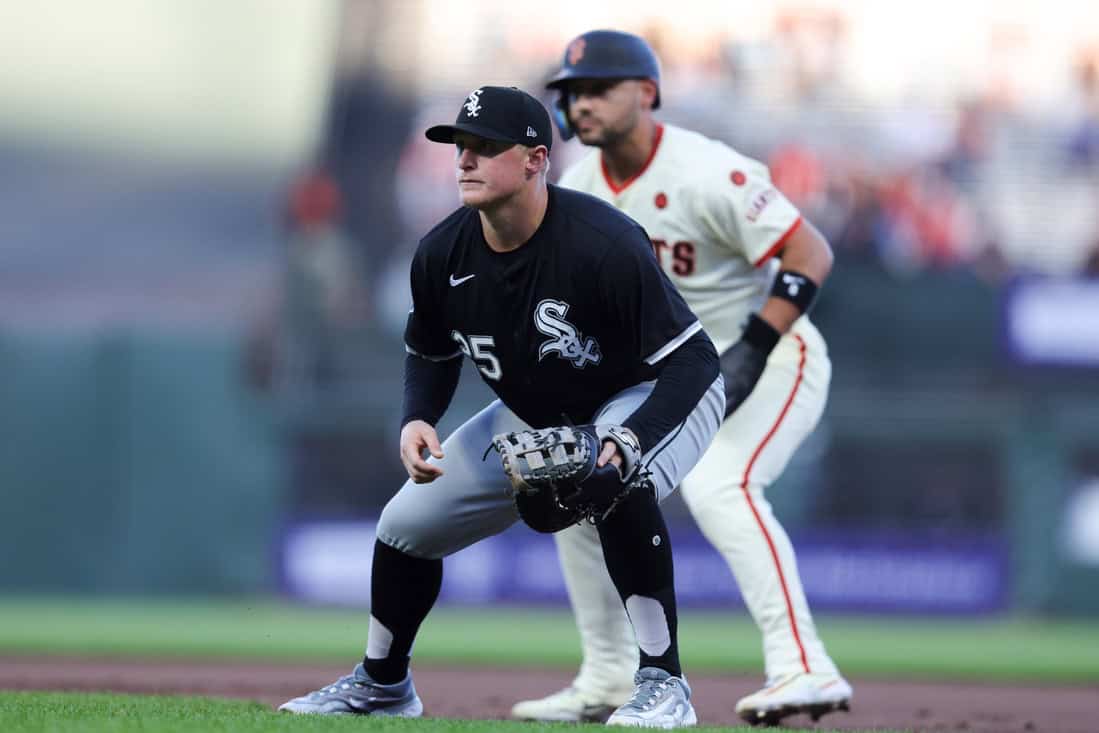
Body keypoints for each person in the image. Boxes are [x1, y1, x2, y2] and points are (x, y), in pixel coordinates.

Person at [278, 85, 725, 728]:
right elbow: (429, 354)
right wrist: (417, 418)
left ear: (536, 160)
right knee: (406, 524)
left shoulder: (603, 241)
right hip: (539, 411)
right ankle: (383, 685)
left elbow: (695, 362)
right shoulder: (440, 253)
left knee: (623, 482)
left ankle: (663, 684)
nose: (465, 160)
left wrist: (624, 442)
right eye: (461, 146)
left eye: (486, 147)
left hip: (650, 392)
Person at [510, 30, 852, 728]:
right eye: (570, 92)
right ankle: (607, 675)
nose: (580, 103)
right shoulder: (574, 189)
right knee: (581, 481)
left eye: (597, 88)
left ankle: (805, 666)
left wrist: (754, 348)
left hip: (770, 357)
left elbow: (808, 251)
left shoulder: (705, 170)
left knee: (721, 483)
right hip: (672, 382)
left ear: (647, 92)